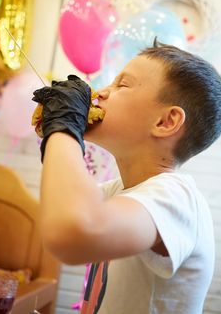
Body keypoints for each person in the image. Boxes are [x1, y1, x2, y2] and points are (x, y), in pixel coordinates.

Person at [32, 40, 221, 314]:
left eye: (122, 85)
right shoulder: (115, 193)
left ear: (165, 122)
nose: (102, 92)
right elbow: (63, 210)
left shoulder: (177, 197)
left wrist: (63, 128)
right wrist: (62, 128)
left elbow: (71, 233)